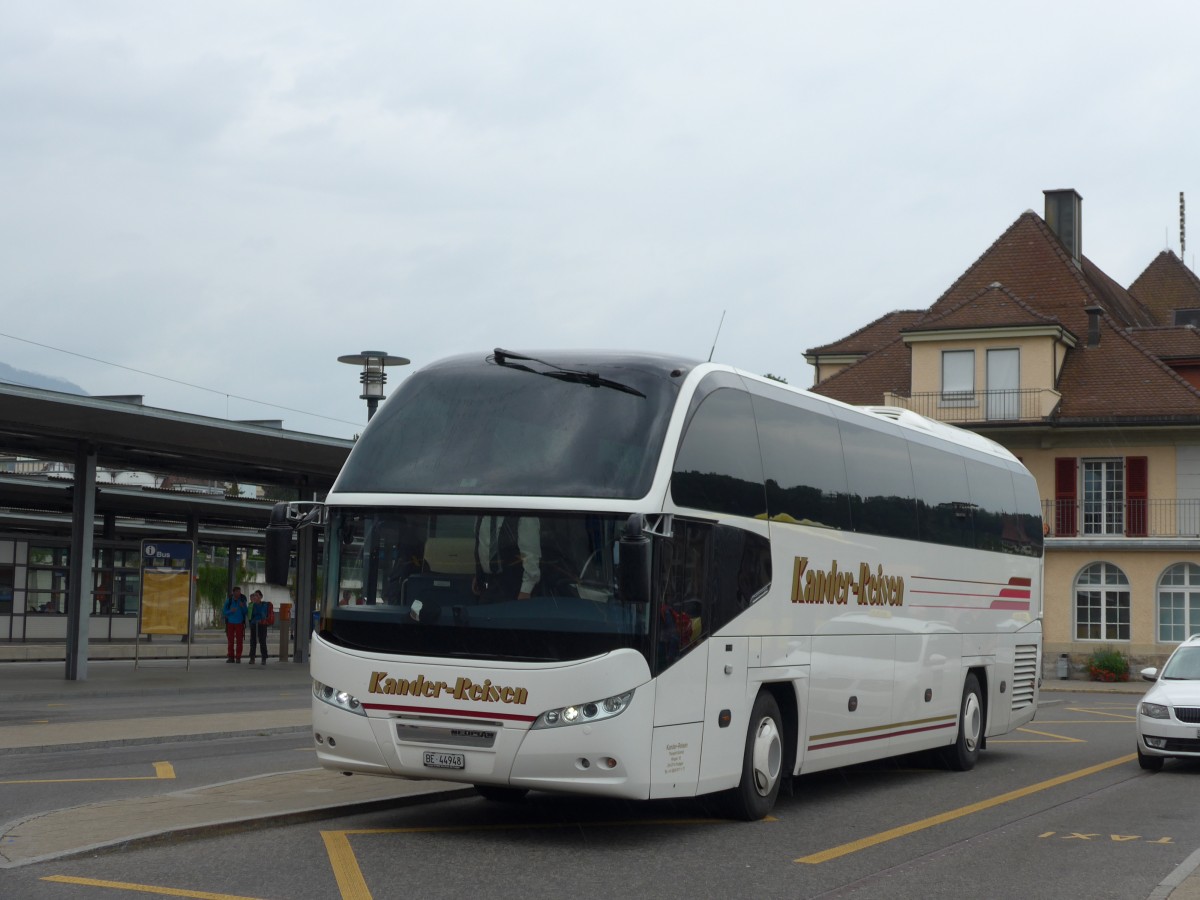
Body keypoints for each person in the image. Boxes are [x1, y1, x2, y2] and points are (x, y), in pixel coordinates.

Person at [473, 515, 541, 602]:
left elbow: (531, 553)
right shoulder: (481, 514)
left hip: (513, 585)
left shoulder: (524, 514)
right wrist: (479, 574)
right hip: (487, 583)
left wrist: (526, 590)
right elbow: (482, 545)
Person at [222, 586, 248, 663]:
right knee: (230, 641)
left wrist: (242, 606)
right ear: (233, 592)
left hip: (239, 623)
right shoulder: (229, 600)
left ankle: (238, 657)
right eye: (237, 592)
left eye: (239, 592)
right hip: (230, 623)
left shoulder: (242, 600)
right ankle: (231, 657)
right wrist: (230, 611)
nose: (239, 593)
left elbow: (246, 612)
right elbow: (224, 612)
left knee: (239, 641)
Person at [246, 590, 270, 665]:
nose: (255, 597)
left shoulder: (264, 605)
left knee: (262, 641)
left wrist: (259, 615)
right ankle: (252, 658)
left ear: (260, 596)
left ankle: (264, 658)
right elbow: (251, 615)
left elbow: (263, 615)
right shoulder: (253, 605)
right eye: (254, 595)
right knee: (252, 641)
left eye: (257, 595)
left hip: (262, 625)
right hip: (254, 624)